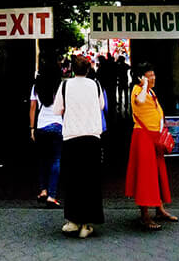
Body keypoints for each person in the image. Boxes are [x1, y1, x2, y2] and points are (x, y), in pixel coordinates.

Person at [53, 55, 105, 239]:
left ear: (73, 70)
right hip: (92, 138)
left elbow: (57, 109)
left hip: (71, 138)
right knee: (90, 181)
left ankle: (73, 221)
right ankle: (87, 224)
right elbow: (101, 105)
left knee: (73, 180)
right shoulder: (95, 85)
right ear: (88, 69)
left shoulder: (65, 85)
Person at [125, 62, 177, 231]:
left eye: (153, 75)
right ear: (141, 78)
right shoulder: (138, 90)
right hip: (143, 137)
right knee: (146, 176)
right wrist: (145, 85)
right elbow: (139, 102)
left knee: (157, 175)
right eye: (148, 76)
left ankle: (159, 209)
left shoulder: (151, 92)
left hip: (154, 138)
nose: (153, 78)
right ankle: (145, 216)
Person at [30, 62, 62, 207]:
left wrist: (32, 128)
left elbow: (32, 108)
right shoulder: (60, 87)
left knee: (43, 160)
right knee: (56, 160)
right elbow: (64, 108)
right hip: (57, 125)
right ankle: (52, 195)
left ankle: (43, 190)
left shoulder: (36, 87)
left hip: (41, 126)